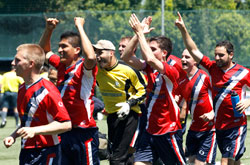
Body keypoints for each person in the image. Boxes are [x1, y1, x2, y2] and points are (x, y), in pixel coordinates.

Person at [175, 12, 250, 165]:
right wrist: (183, 29)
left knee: (226, 160)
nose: (216, 58)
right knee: (234, 160)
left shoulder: (243, 72)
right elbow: (194, 50)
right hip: (219, 125)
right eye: (215, 55)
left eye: (221, 55)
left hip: (236, 125)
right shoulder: (212, 68)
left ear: (231, 55)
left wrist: (248, 101)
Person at [122, 13, 186, 164]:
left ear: (164, 53)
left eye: (153, 48)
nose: (149, 51)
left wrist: (140, 33)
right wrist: (138, 35)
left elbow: (150, 58)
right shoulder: (149, 68)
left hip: (168, 131)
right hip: (149, 130)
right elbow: (126, 57)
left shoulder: (171, 70)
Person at [39, 17, 99, 165]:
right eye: (59, 46)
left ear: (77, 50)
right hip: (62, 130)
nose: (59, 50)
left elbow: (91, 56)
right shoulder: (60, 64)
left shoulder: (84, 69)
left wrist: (80, 26)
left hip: (83, 133)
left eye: (64, 47)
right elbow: (42, 52)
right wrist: (48, 30)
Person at [3, 44, 71, 165]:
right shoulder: (22, 88)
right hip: (26, 151)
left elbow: (66, 124)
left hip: (47, 151)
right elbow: (28, 123)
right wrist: (13, 136)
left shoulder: (47, 90)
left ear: (31, 64)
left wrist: (35, 130)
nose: (13, 63)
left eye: (17, 60)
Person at [93, 39, 147, 165]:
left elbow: (144, 90)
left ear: (111, 53)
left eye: (100, 53)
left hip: (130, 117)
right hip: (112, 117)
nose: (98, 57)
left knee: (117, 159)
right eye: (96, 53)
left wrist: (129, 104)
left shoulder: (127, 70)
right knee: (119, 156)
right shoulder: (96, 70)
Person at [177, 49, 217, 164]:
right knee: (191, 161)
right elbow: (181, 102)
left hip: (209, 129)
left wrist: (212, 113)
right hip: (193, 129)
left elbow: (219, 96)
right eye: (182, 56)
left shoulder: (204, 77)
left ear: (195, 60)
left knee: (200, 163)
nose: (183, 59)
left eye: (187, 57)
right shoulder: (181, 81)